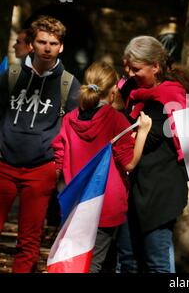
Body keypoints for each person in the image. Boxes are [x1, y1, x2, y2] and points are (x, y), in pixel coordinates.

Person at [51, 61, 152, 273]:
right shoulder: (116, 120)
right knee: (94, 264)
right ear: (114, 91)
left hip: (76, 201)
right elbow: (129, 163)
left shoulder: (69, 119)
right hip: (104, 203)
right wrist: (142, 132)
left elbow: (58, 160)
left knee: (75, 261)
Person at [0, 15, 80, 273]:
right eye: (42, 42)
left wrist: (59, 166)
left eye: (53, 43)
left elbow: (75, 128)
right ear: (32, 44)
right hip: (3, 165)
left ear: (61, 47)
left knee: (29, 240)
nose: (47, 48)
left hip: (41, 170)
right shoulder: (12, 75)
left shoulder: (68, 83)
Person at [121, 35, 189, 273]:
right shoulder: (134, 93)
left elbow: (144, 139)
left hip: (158, 195)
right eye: (127, 68)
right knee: (127, 261)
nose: (130, 74)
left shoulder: (170, 98)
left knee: (158, 264)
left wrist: (127, 133)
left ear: (155, 67)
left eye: (136, 69)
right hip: (132, 191)